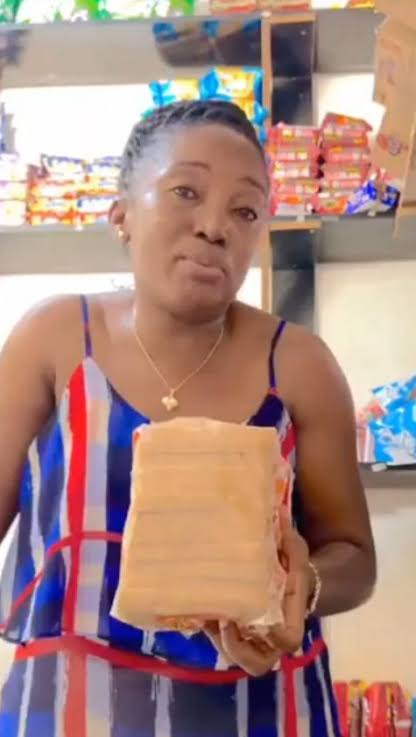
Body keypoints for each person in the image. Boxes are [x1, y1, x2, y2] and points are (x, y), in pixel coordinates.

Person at [0, 99, 376, 737]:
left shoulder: (299, 365)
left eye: (245, 210)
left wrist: (303, 584)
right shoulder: (54, 340)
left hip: (266, 710)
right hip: (69, 711)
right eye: (186, 192)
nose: (214, 227)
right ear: (121, 215)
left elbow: (355, 556)